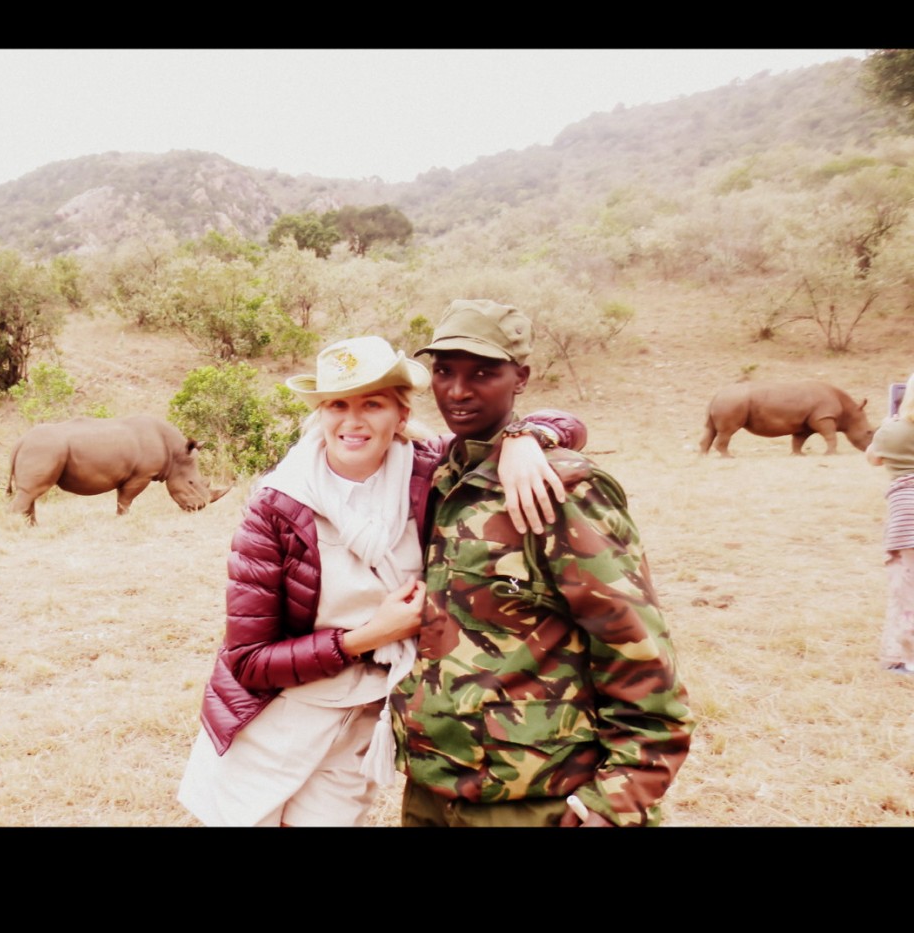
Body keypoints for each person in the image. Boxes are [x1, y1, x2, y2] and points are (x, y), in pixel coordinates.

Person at [177, 334, 585, 827]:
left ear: (402, 415)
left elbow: (569, 424)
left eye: (372, 404)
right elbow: (248, 661)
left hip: (367, 714)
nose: (352, 421)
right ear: (321, 413)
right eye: (337, 404)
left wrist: (524, 438)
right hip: (273, 715)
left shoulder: (433, 471)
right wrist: (372, 635)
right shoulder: (277, 504)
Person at [391, 299, 693, 827]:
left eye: (483, 373)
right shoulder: (442, 475)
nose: (457, 391)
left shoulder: (561, 486)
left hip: (539, 798)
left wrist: (620, 795)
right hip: (435, 786)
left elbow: (633, 641)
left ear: (521, 378)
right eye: (444, 372)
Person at [865, 374, 914, 676]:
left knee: (907, 588)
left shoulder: (892, 430)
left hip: (906, 516)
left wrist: (886, 426)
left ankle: (908, 657)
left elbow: (873, 459)